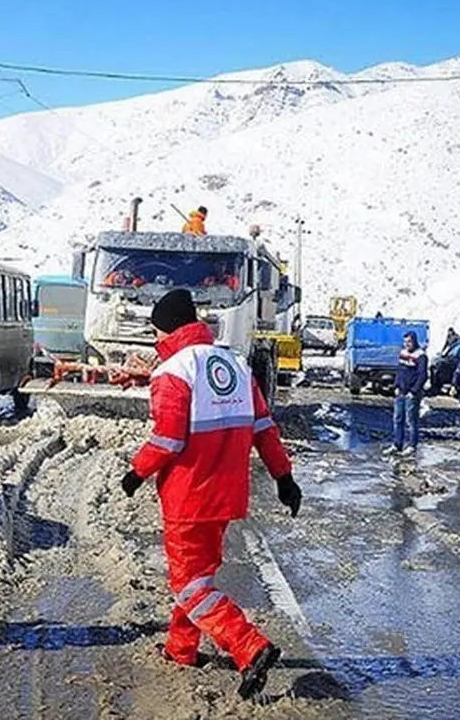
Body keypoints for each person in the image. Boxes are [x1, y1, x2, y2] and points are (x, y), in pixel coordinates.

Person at [119, 289, 301, 699]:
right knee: (198, 577)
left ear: (166, 329)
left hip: (189, 495)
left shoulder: (173, 371)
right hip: (226, 495)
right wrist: (284, 477)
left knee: (189, 586)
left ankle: (249, 646)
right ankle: (180, 649)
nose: (154, 338)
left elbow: (168, 439)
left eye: (155, 330)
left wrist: (136, 472)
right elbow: (263, 428)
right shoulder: (235, 364)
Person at [385, 331, 428, 456]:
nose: (407, 344)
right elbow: (400, 371)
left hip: (412, 394)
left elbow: (422, 375)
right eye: (405, 342)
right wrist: (396, 385)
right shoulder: (403, 353)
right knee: (398, 419)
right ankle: (397, 444)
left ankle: (412, 445)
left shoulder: (421, 356)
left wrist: (414, 391)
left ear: (414, 341)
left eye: (409, 341)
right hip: (401, 392)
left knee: (411, 421)